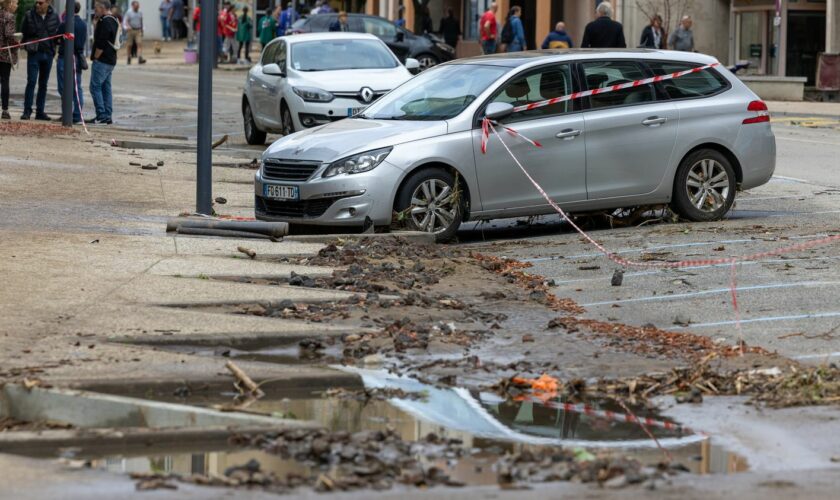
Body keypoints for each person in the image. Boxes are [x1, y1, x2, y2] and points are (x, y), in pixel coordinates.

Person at [20, 0, 59, 120]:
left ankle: (40, 112)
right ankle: (27, 111)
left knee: (43, 84)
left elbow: (57, 35)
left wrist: (53, 51)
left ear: (48, 3)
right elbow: (23, 33)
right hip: (34, 53)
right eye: (36, 2)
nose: (37, 5)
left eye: (40, 3)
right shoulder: (29, 15)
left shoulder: (55, 17)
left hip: (48, 54)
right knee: (31, 82)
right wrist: (26, 46)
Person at [56, 1, 86, 124]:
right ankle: (77, 114)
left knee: (64, 87)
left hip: (65, 58)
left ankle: (66, 113)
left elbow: (57, 38)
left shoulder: (65, 24)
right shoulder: (83, 24)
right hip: (78, 58)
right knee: (77, 87)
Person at [90, 0, 118, 125]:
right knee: (106, 87)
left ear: (102, 8)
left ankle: (101, 115)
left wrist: (95, 57)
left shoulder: (105, 21)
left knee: (95, 87)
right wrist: (95, 23)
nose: (95, 10)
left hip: (103, 59)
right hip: (111, 59)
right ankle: (107, 115)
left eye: (96, 8)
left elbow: (101, 41)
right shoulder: (114, 20)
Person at [0, 0, 18, 120]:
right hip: (4, 54)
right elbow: (9, 34)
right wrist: (17, 43)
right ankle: (5, 110)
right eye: (16, 3)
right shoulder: (9, 16)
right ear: (10, 3)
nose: (17, 6)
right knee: (5, 81)